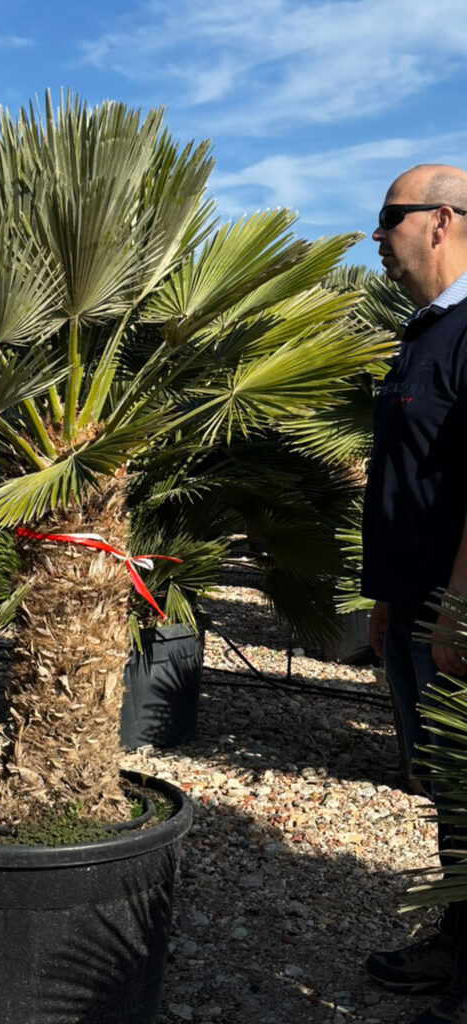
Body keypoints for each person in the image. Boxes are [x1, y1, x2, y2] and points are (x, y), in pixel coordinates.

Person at [362, 163, 467, 1024]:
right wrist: (389, 597)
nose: (377, 240)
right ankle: (455, 941)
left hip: (456, 618)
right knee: (447, 787)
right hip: (413, 608)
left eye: (388, 220)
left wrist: (459, 603)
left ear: (439, 221)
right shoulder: (423, 332)